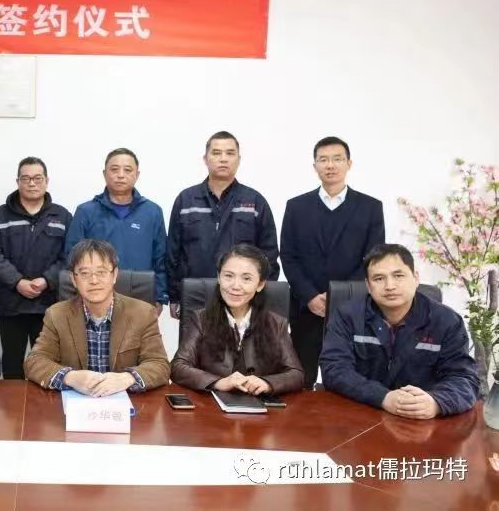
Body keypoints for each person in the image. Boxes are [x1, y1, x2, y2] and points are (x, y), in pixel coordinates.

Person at [321, 244, 478, 418]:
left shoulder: (447, 321)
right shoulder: (347, 316)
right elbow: (334, 369)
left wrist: (436, 402)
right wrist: (383, 397)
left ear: (415, 278)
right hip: (361, 414)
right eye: (379, 278)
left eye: (398, 276)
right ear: (368, 285)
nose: (390, 286)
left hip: (420, 420)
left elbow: (463, 378)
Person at [281, 136, 385, 387]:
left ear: (349, 164)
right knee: (300, 380)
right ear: (314, 166)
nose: (330, 165)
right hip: (306, 307)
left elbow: (373, 259)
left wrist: (339, 296)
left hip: (353, 307)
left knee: (348, 379)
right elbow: (288, 256)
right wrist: (310, 296)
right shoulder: (296, 206)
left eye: (337, 159)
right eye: (323, 160)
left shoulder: (370, 207)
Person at [24, 239, 170, 395]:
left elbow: (159, 364)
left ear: (114, 275)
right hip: (76, 402)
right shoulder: (57, 314)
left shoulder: (143, 313)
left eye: (101, 272)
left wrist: (128, 378)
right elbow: (35, 361)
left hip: (126, 403)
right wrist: (70, 377)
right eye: (85, 273)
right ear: (73, 279)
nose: (94, 281)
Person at [166, 131, 280, 319]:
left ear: (239, 159)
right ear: (205, 159)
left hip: (241, 298)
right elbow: (173, 253)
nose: (223, 159)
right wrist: (174, 296)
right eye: (216, 153)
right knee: (193, 340)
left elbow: (269, 255)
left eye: (230, 153)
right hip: (195, 295)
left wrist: (260, 296)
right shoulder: (186, 200)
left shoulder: (254, 201)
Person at [0, 156, 73, 379]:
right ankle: (12, 402)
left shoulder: (62, 216)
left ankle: (45, 402)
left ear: (46, 181)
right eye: (26, 178)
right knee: (12, 363)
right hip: (11, 304)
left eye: (37, 178)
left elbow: (70, 254)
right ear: (17, 181)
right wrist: (17, 281)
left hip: (49, 305)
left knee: (48, 364)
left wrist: (47, 280)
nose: (32, 183)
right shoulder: (0, 216)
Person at [171, 244, 303, 395]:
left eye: (246, 278)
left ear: (260, 284)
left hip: (260, 404)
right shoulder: (201, 319)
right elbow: (178, 367)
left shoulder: (276, 324)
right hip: (211, 404)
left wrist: (267, 383)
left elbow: (296, 374)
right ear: (219, 277)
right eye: (228, 276)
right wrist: (219, 382)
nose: (235, 286)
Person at [64, 148, 169, 310]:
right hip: (95, 295)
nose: (120, 175)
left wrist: (160, 297)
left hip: (140, 297)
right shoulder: (86, 211)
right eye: (114, 169)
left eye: (127, 170)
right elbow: (72, 256)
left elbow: (160, 258)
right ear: (104, 174)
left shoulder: (152, 212)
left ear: (137, 175)